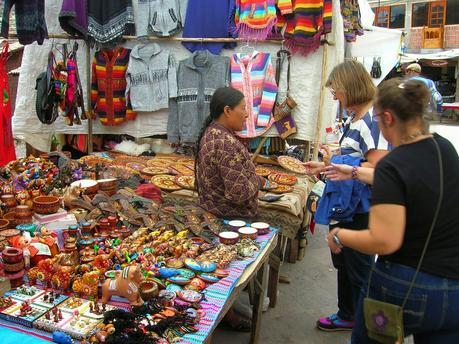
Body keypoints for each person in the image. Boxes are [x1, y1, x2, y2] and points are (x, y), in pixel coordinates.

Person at [327, 78, 459, 343]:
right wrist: (353, 171)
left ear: (387, 117)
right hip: (453, 291)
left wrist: (340, 235)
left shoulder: (393, 164)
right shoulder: (444, 148)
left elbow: (384, 240)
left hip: (405, 289)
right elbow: (409, 180)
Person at [306, 59, 389, 332]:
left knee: (360, 269)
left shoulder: (369, 122)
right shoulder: (356, 118)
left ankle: (377, 328)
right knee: (345, 263)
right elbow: (353, 162)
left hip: (360, 210)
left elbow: (379, 171)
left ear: (351, 87)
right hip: (347, 206)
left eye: (337, 90)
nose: (334, 95)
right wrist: (326, 167)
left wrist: (344, 168)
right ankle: (349, 314)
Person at [195, 86, 272, 331]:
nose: (247, 115)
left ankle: (229, 310)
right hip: (230, 220)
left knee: (224, 270)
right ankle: (226, 315)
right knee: (230, 270)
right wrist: (258, 182)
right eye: (243, 109)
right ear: (227, 111)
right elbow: (238, 193)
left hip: (215, 212)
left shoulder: (212, 133)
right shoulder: (225, 141)